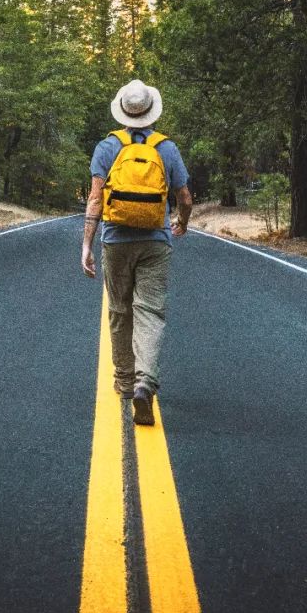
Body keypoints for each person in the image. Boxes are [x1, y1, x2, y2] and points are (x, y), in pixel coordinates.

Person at [80, 78, 192, 426]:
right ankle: (146, 382)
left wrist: (86, 243)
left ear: (123, 111)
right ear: (151, 112)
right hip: (155, 240)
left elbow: (96, 198)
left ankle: (125, 381)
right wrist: (181, 222)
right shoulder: (166, 148)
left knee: (118, 309)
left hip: (115, 240)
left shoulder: (107, 147)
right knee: (151, 312)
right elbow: (185, 198)